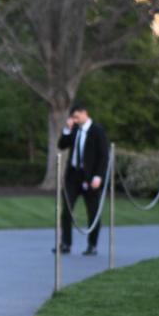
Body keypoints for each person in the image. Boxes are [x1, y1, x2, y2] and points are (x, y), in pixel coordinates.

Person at [55, 103, 109, 256]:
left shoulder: (97, 131)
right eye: (73, 118)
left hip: (90, 178)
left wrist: (98, 176)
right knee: (66, 211)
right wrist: (67, 129)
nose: (75, 120)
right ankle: (66, 243)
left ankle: (92, 245)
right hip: (73, 177)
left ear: (84, 113)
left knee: (92, 212)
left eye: (76, 117)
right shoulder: (75, 130)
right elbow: (61, 145)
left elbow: (104, 156)